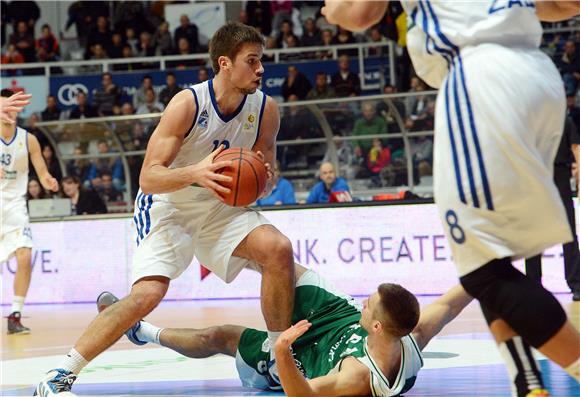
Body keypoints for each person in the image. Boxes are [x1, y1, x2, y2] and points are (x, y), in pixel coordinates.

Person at [322, 1, 580, 396]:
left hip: (480, 76)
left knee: (481, 271)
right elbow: (563, 4)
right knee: (489, 254)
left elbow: (359, 13)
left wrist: (333, 11)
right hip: (539, 78)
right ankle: (527, 384)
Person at [35, 22, 295, 396]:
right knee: (148, 295)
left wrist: (264, 180)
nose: (260, 69)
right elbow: (148, 178)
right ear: (225, 63)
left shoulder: (266, 109)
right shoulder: (188, 104)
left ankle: (276, 355)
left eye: (261, 61)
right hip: (169, 205)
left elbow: (265, 174)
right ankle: (59, 375)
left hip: (219, 207)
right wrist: (197, 172)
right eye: (252, 61)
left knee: (278, 249)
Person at [96, 263, 473, 397]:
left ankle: (138, 329)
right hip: (332, 316)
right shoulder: (411, 331)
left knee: (220, 336)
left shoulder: (355, 377)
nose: (364, 300)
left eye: (369, 303)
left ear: (376, 324)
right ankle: (216, 235)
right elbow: (457, 299)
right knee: (278, 257)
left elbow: (304, 395)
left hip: (303, 354)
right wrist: (496, 265)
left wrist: (282, 348)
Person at [0, 89, 59, 335]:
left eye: (13, 106)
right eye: (5, 106)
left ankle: (15, 315)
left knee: (25, 256)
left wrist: (49, 182)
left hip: (14, 206)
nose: (9, 111)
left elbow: (42, 172)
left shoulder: (29, 139)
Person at [525, 117, 580, 299]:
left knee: (568, 232)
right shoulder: (531, 121)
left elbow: (576, 149)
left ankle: (576, 284)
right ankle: (534, 284)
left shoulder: (563, 120)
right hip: (536, 175)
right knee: (534, 235)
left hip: (558, 174)